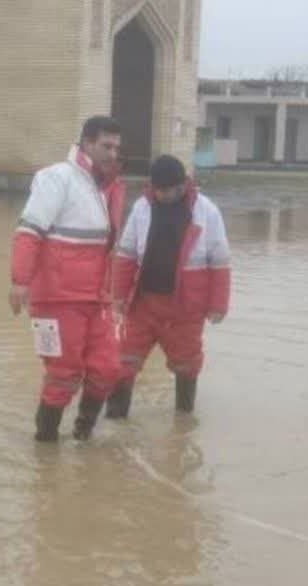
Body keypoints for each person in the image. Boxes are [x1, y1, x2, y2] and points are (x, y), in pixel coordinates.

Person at [9, 116, 127, 442]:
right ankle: (45, 448)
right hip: (57, 299)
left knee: (108, 369)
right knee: (63, 375)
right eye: (106, 146)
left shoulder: (108, 187)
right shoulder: (56, 178)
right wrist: (20, 281)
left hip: (96, 298)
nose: (112, 153)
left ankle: (82, 435)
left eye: (116, 147)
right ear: (86, 143)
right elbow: (28, 231)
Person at [107, 154, 230, 418]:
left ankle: (183, 423)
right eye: (159, 189)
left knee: (187, 365)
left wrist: (218, 305)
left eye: (169, 189)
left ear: (183, 184)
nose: (163, 195)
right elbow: (126, 254)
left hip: (185, 309)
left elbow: (220, 261)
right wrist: (117, 295)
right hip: (143, 304)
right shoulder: (142, 207)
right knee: (122, 363)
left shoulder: (207, 211)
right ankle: (115, 420)